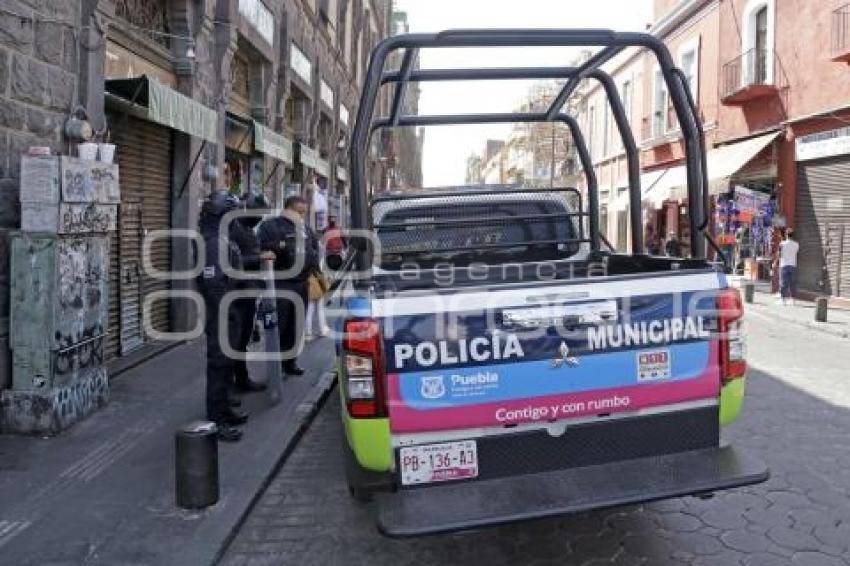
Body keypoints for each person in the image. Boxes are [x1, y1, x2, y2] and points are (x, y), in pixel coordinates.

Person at [197, 190, 249, 442]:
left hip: (229, 309)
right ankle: (216, 420)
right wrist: (227, 312)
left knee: (227, 364)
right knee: (219, 365)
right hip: (221, 313)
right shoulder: (213, 241)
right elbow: (213, 281)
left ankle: (225, 410)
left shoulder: (221, 237)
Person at [257, 195, 320, 376]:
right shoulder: (271, 226)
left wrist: (315, 269)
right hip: (281, 283)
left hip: (301, 284)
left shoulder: (306, 228)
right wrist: (281, 245)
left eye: (304, 213)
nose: (302, 215)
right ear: (289, 209)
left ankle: (290, 362)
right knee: (280, 325)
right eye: (299, 212)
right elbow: (260, 247)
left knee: (296, 324)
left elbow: (313, 249)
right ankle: (275, 365)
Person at [230, 192, 274, 395]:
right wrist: (259, 257)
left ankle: (241, 378)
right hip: (236, 293)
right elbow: (231, 263)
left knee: (244, 338)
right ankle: (232, 384)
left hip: (249, 292)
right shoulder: (234, 229)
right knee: (234, 340)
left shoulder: (249, 229)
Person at [777, 228, 800, 306]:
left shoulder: (781, 244)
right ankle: (793, 300)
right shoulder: (797, 244)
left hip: (784, 265)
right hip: (793, 265)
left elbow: (779, 254)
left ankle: (783, 300)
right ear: (793, 235)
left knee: (783, 283)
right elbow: (795, 252)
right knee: (793, 283)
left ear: (786, 235)